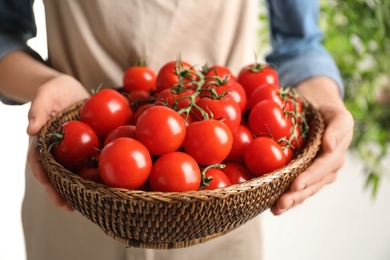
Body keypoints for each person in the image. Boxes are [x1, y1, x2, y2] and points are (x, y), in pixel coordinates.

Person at [0, 0, 354, 259]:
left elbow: (299, 43)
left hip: (224, 205)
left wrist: (327, 104)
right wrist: (48, 84)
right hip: (80, 192)